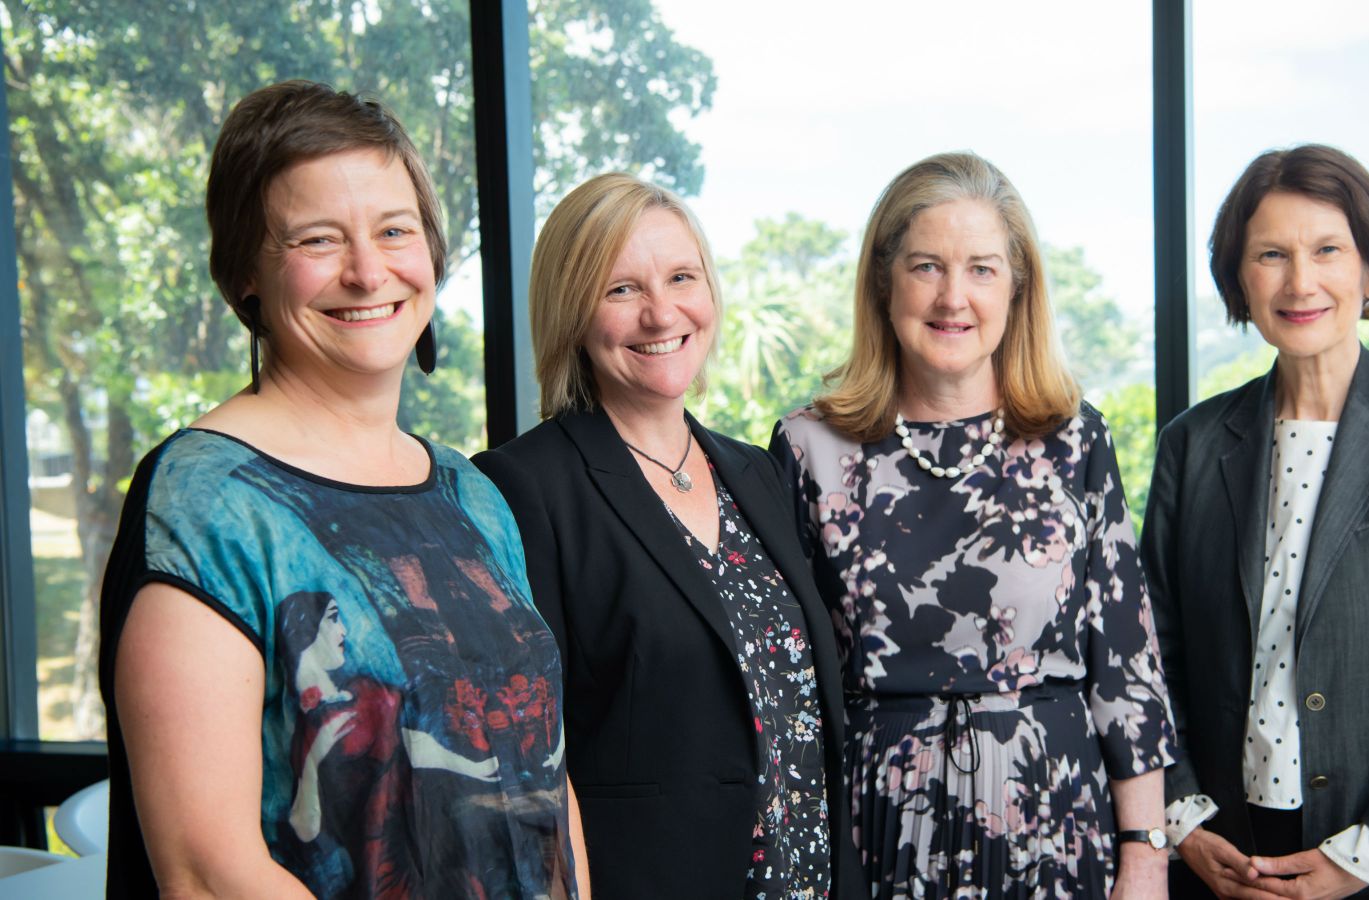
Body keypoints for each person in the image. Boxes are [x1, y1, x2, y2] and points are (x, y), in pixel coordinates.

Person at [98, 80, 585, 899]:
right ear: (244, 273)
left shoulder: (472, 496)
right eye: (319, 240)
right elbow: (208, 875)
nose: (368, 272)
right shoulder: (206, 502)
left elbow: (544, 777)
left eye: (395, 231)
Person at [770, 151, 1178, 899]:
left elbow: (1126, 660)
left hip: (1056, 819)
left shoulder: (1075, 439)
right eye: (927, 266)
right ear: (883, 281)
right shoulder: (808, 448)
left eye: (983, 269)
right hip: (877, 825)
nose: (954, 296)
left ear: (1018, 288)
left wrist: (1146, 856)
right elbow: (788, 680)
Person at [473, 173, 867, 900]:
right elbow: (527, 762)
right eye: (621, 289)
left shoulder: (754, 472)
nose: (661, 314)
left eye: (682, 277)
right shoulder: (524, 488)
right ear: (572, 312)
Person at [1142, 144, 1369, 900]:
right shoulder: (1193, 442)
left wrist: (1366, 856)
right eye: (1271, 254)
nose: (1300, 281)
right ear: (1239, 280)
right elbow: (1149, 659)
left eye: (1327, 250)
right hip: (1225, 860)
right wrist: (1184, 819)